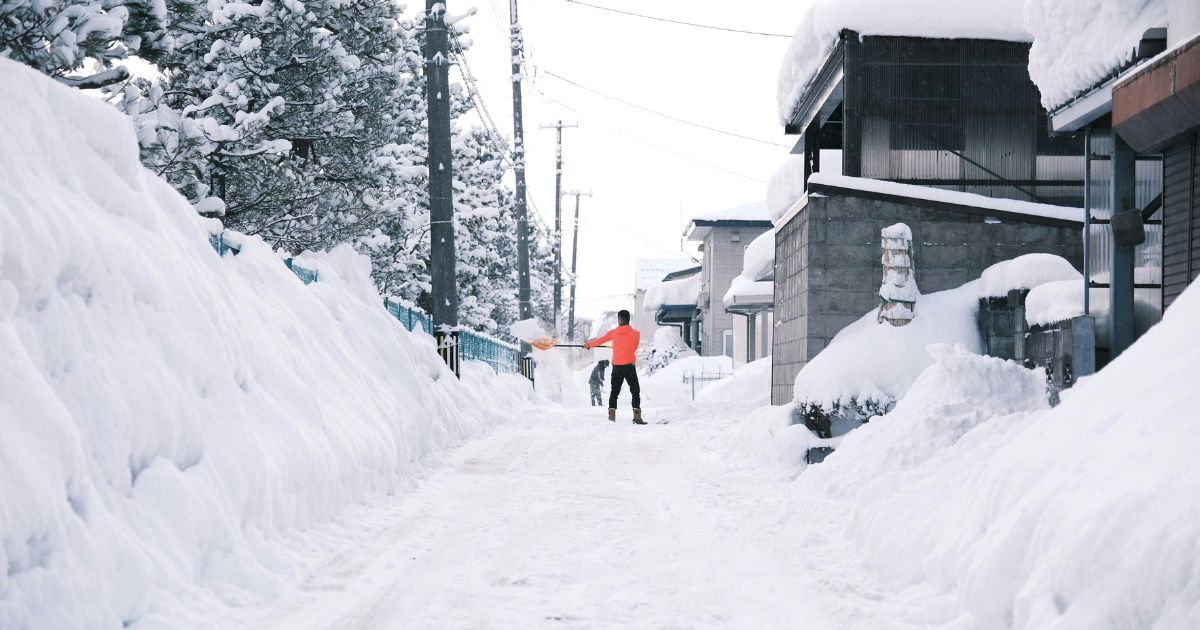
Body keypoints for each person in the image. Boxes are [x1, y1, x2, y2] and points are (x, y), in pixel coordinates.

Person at [583, 310, 644, 424]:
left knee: (614, 392)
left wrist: (588, 345)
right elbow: (634, 348)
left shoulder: (613, 333)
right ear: (628, 319)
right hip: (629, 366)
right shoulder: (636, 333)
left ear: (619, 319)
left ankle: (611, 417)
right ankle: (637, 416)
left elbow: (600, 340)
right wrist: (625, 351)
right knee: (635, 391)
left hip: (617, 367)